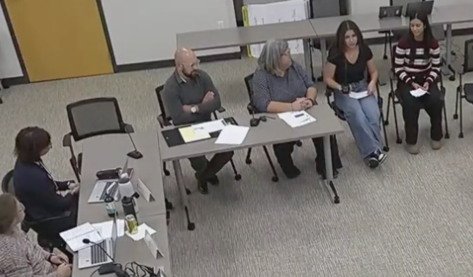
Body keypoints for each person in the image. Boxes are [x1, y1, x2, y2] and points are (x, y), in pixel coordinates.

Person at [251, 39, 343, 179]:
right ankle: (286, 164)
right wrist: (291, 107)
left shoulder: (295, 67)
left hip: (303, 109)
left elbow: (311, 85)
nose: (290, 56)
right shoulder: (261, 76)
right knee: (283, 144)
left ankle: (326, 164)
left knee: (325, 127)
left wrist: (309, 100)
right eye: (286, 54)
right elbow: (263, 104)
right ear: (276, 58)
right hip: (278, 116)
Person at [162, 47, 235, 194]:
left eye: (197, 63)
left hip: (207, 123)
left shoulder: (202, 76)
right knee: (199, 161)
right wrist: (204, 105)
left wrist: (194, 108)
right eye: (192, 65)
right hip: (187, 129)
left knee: (228, 150)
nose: (197, 68)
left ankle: (203, 176)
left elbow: (217, 103)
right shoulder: (170, 88)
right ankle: (205, 173)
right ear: (179, 66)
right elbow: (178, 118)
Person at [323, 20, 386, 168]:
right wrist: (340, 87)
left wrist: (372, 83)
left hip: (363, 87)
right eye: (347, 37)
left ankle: (373, 152)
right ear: (341, 38)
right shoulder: (336, 54)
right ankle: (374, 152)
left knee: (373, 114)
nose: (351, 40)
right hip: (344, 90)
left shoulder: (364, 50)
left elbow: (374, 72)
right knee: (357, 114)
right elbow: (327, 79)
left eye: (354, 36)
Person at [0, 194, 72, 277]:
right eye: (19, 209)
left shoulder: (12, 230)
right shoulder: (9, 251)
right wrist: (58, 276)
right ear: (10, 219)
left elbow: (31, 248)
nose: (23, 207)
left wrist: (50, 257)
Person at [393, 13, 444, 155]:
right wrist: (412, 83)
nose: (414, 29)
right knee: (410, 103)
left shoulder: (433, 44)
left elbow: (436, 67)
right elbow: (398, 68)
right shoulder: (403, 43)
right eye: (412, 26)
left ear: (425, 26)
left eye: (418, 25)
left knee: (435, 99)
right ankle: (411, 140)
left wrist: (428, 82)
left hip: (427, 79)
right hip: (407, 80)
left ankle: (436, 135)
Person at [12, 127, 77, 235]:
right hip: (51, 219)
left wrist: (67, 185)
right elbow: (59, 204)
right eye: (47, 145)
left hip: (41, 207)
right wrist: (74, 193)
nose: (50, 146)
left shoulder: (25, 161)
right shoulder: (35, 178)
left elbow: (48, 183)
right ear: (35, 150)